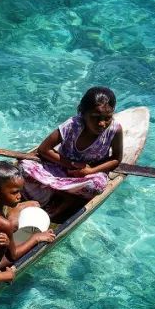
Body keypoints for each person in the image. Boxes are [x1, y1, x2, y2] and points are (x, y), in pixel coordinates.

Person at [20, 86, 124, 220]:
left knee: (96, 186)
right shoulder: (72, 125)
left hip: (87, 176)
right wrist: (72, 164)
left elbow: (116, 159)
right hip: (60, 167)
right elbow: (44, 149)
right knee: (23, 167)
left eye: (108, 118)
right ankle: (67, 196)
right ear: (83, 113)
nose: (102, 123)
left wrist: (90, 171)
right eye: (95, 117)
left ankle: (55, 192)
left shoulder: (115, 130)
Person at [0, 161, 56, 259]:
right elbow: (14, 255)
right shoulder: (4, 224)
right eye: (15, 192)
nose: (19, 196)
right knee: (34, 230)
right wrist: (36, 238)